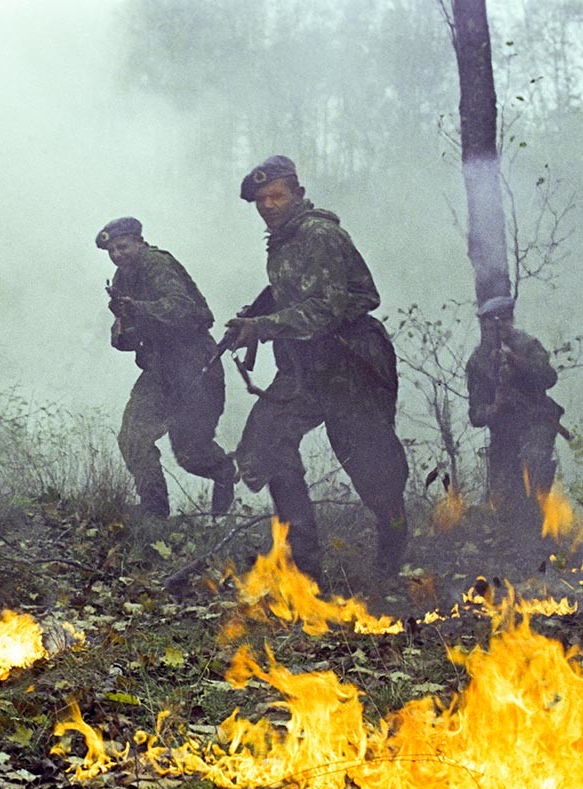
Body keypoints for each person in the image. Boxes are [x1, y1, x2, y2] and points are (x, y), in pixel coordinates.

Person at [223, 155, 409, 593]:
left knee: (369, 463)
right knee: (266, 441)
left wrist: (262, 327)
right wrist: (257, 313)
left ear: (298, 194)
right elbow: (292, 289)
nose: (268, 205)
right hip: (305, 365)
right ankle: (302, 566)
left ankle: (393, 542)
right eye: (261, 200)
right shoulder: (284, 241)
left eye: (277, 196)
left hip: (350, 363)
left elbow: (325, 310)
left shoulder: (319, 235)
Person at [97, 217, 236, 518]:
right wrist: (122, 329)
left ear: (138, 241)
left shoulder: (156, 263)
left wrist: (137, 309)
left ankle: (224, 475)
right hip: (159, 369)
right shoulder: (122, 278)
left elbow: (183, 309)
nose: (117, 255)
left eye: (122, 247)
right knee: (133, 437)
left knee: (191, 453)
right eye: (111, 251)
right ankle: (155, 514)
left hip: (195, 364)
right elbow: (126, 337)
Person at [465, 295, 563, 515]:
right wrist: (495, 406)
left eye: (502, 323)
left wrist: (518, 363)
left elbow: (549, 378)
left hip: (535, 421)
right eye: (490, 326)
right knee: (506, 496)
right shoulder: (478, 362)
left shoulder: (528, 346)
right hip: (504, 431)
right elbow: (476, 415)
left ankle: (543, 520)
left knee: (535, 463)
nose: (497, 330)